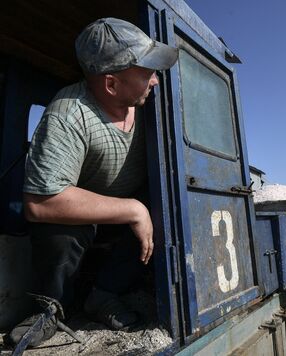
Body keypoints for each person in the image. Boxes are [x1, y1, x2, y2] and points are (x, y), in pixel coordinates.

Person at [7, 17, 178, 347]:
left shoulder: (154, 104)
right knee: (57, 226)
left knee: (163, 203)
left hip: (127, 213)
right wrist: (132, 209)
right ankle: (50, 306)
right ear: (112, 85)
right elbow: (40, 203)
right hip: (85, 215)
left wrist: (140, 208)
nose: (156, 80)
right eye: (147, 72)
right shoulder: (69, 112)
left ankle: (103, 294)